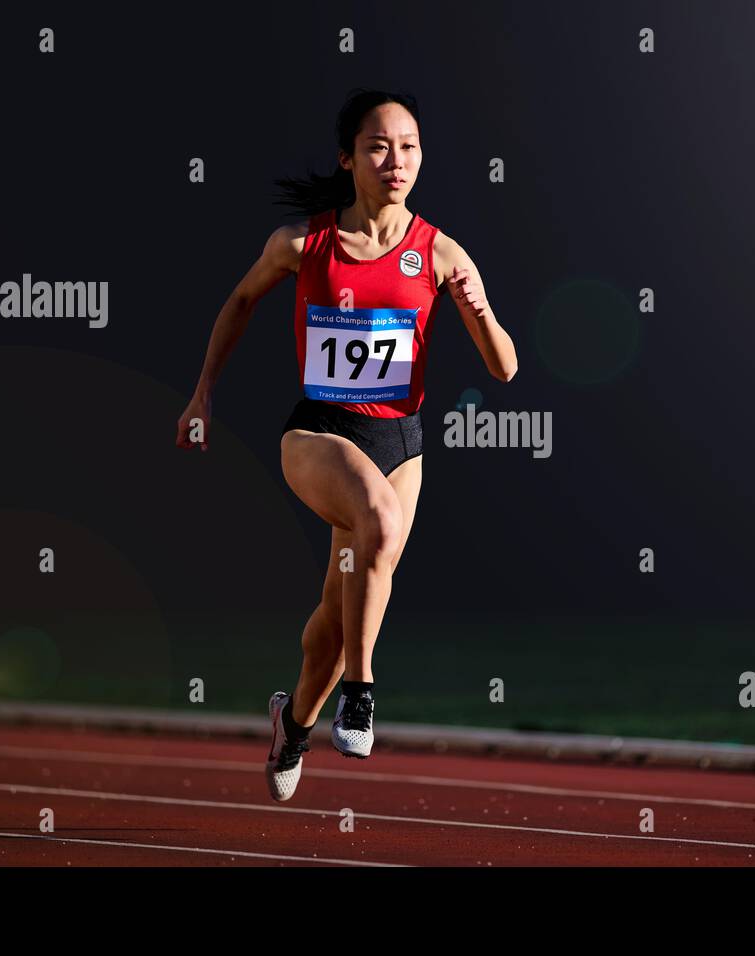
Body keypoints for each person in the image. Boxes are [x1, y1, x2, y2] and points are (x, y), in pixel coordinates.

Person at [175, 88, 518, 802]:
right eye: (379, 146)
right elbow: (240, 302)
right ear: (348, 157)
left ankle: (292, 723)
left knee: (334, 618)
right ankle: (360, 696)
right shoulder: (305, 243)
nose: (397, 160)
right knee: (378, 525)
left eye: (410, 147)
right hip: (319, 432)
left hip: (404, 442)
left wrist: (477, 312)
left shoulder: (442, 252)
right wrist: (203, 390)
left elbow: (505, 366)